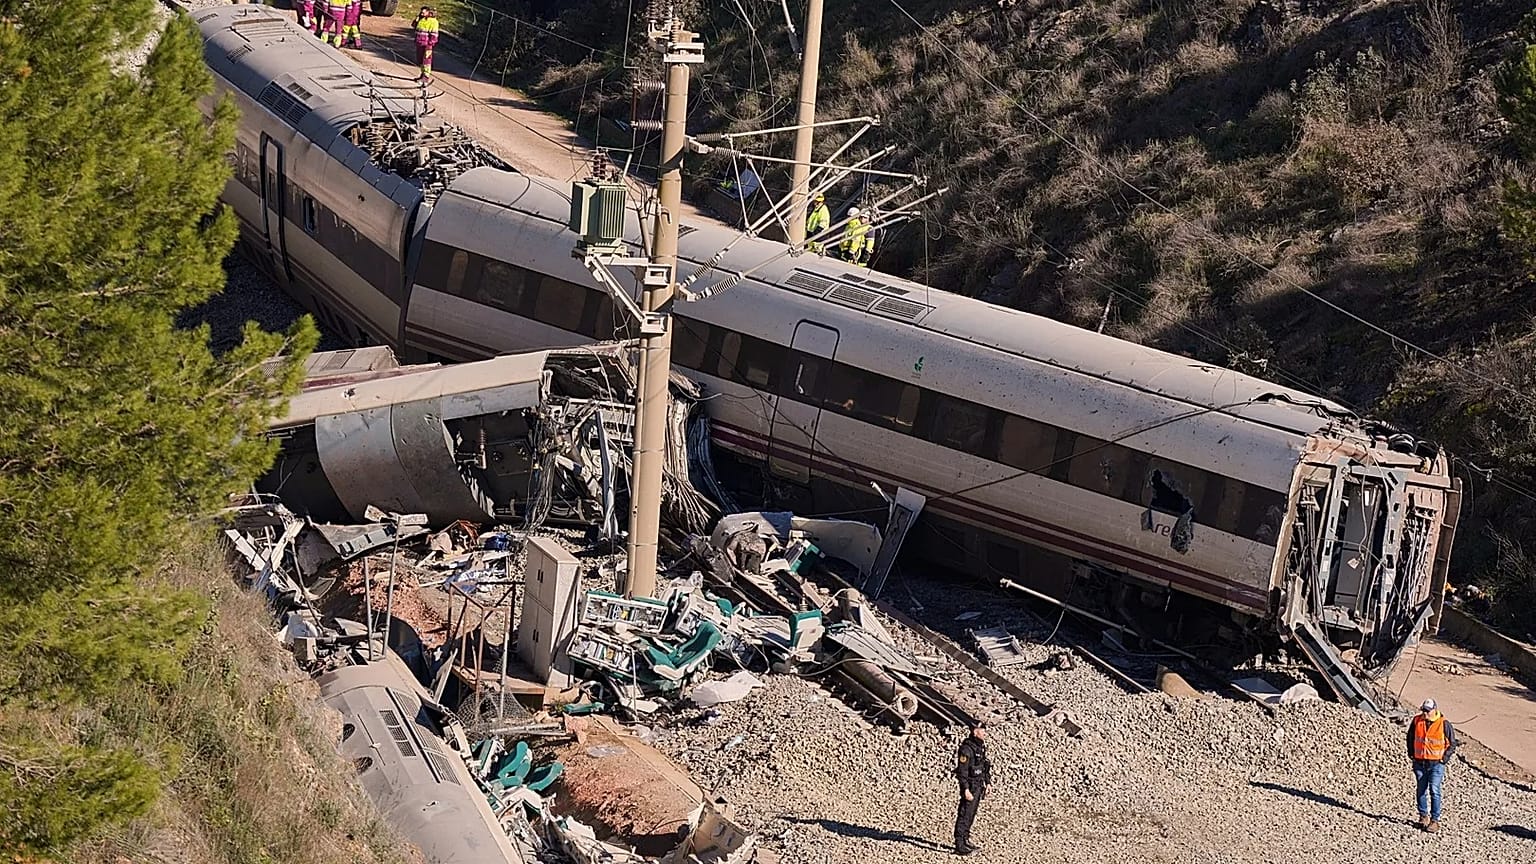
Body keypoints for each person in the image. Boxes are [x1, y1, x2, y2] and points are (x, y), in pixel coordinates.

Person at [1408, 698, 1457, 831]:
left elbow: (1452, 743)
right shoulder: (1417, 721)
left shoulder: (1443, 724)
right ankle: (1423, 816)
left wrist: (1443, 759)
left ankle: (1434, 820)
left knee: (1434, 791)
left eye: (1427, 711)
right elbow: (1410, 737)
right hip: (1419, 763)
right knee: (1421, 790)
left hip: (1436, 764)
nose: (1425, 713)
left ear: (1434, 710)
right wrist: (1412, 754)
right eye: (1423, 710)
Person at [953, 722, 991, 855]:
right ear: (975, 732)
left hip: (978, 785)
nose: (985, 733)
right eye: (982, 730)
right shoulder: (966, 749)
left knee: (971, 815)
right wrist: (965, 789)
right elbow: (962, 772)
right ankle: (959, 844)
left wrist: (987, 782)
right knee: (964, 814)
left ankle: (966, 839)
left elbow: (984, 766)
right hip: (970, 786)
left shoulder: (979, 747)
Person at [414, 7, 440, 82]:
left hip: (427, 45)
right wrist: (417, 19)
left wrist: (430, 43)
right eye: (421, 12)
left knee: (426, 61)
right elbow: (414, 26)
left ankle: (426, 76)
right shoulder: (421, 19)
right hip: (419, 43)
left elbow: (434, 34)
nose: (422, 13)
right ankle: (422, 74)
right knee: (420, 60)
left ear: (428, 12)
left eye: (423, 12)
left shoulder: (433, 22)